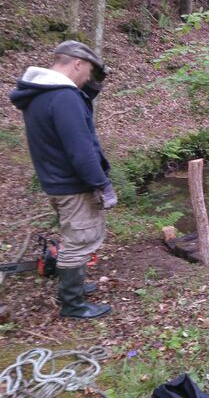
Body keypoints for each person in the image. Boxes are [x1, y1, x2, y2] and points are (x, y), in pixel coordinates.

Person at [9, 40, 116, 319]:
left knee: (73, 237)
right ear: (77, 63)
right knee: (79, 241)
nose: (89, 80)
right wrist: (102, 183)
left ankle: (75, 287)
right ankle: (73, 304)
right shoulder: (64, 97)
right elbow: (80, 150)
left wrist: (90, 88)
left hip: (55, 180)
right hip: (73, 184)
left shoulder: (41, 94)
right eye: (89, 72)